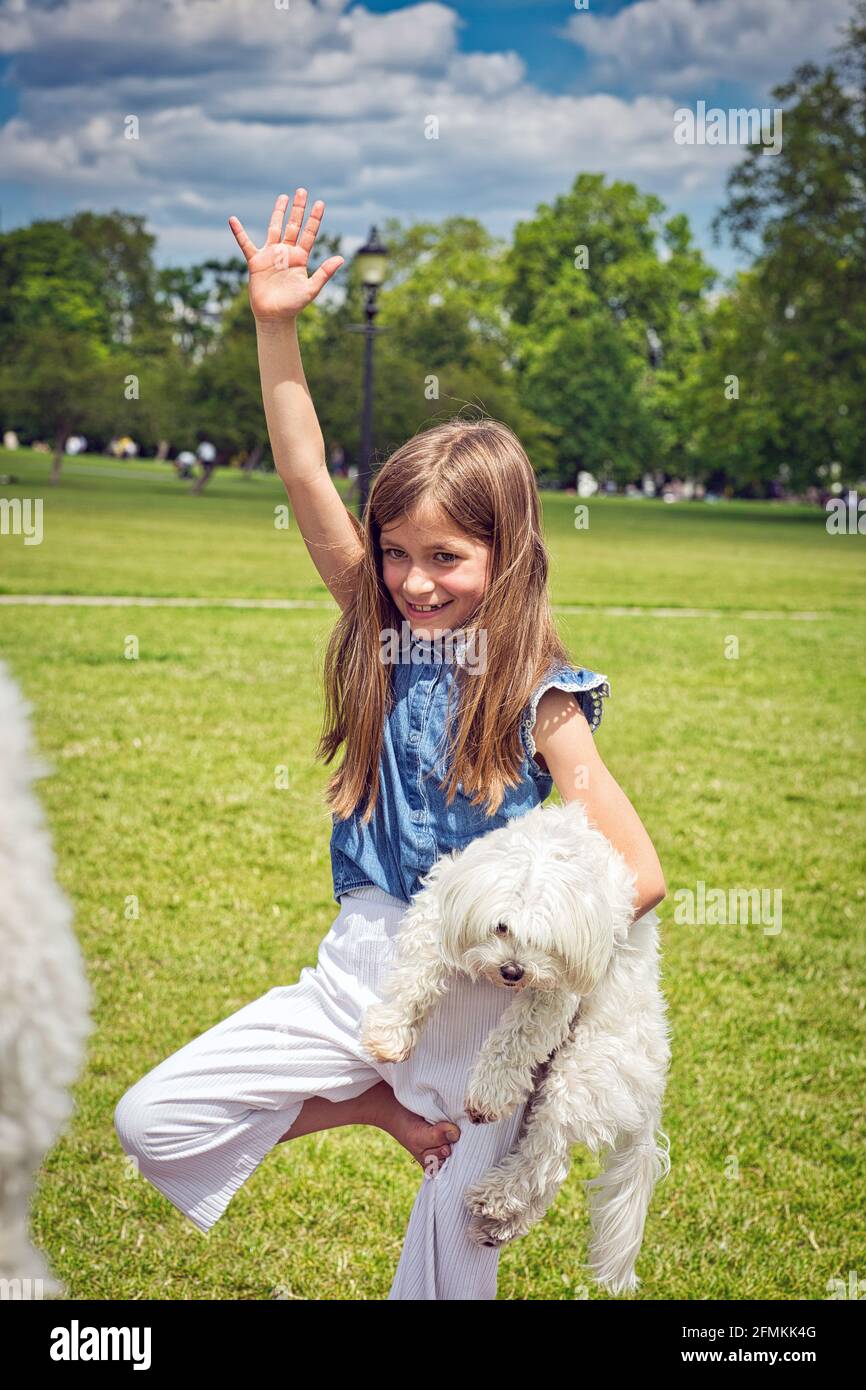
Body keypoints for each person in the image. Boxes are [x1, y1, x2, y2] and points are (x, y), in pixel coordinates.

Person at [114, 189, 667, 1301]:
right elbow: (307, 476)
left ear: (502, 559)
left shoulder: (540, 696)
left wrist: (526, 946)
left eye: (447, 558)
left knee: (450, 1275)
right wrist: (277, 324)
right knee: (150, 1115)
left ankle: (440, 1126)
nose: (415, 580)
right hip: (361, 966)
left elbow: (638, 876)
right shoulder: (377, 630)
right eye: (396, 551)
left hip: (481, 991)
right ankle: (382, 1108)